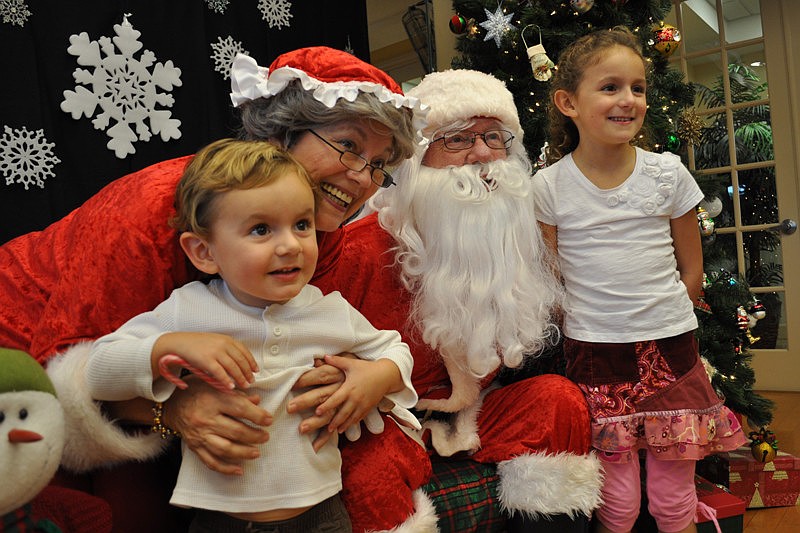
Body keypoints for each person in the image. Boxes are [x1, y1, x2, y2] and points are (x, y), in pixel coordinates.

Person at [0, 47, 432, 533]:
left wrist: (358, 375)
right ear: (280, 132)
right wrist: (171, 408)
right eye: (349, 146)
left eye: (378, 165)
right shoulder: (155, 210)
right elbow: (73, 368)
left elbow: (310, 335)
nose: (361, 177)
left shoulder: (321, 234)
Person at [308, 67, 604, 532]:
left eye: (494, 136)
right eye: (457, 139)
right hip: (384, 420)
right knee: (370, 466)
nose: (483, 154)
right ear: (418, 161)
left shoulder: (514, 245)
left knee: (557, 400)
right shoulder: (362, 248)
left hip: (469, 413)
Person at [84, 139, 420, 533]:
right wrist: (167, 346)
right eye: (261, 229)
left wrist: (377, 377)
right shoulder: (187, 310)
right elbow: (95, 371)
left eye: (301, 224)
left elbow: (396, 350)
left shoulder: (329, 310)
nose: (290, 245)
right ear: (203, 252)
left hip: (322, 515)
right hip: (219, 520)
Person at [532, 27, 747, 533]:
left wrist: (672, 309)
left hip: (670, 345)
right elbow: (549, 274)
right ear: (568, 101)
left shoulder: (668, 175)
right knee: (619, 501)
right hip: (594, 350)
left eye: (638, 87)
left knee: (674, 497)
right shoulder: (548, 186)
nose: (628, 99)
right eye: (609, 87)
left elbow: (691, 267)